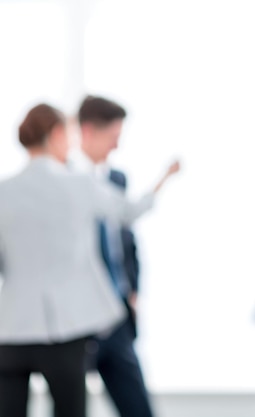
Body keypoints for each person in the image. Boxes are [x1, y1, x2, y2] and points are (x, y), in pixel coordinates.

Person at [0, 103, 178, 417]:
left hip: (12, 328)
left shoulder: (5, 192)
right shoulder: (79, 185)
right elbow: (129, 211)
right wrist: (164, 178)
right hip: (64, 327)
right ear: (56, 134)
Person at [72, 95, 156, 417]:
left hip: (117, 313)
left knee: (138, 407)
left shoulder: (116, 180)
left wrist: (133, 290)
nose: (116, 147)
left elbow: (127, 242)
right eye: (113, 138)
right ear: (89, 132)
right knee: (71, 405)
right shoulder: (66, 183)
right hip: (79, 317)